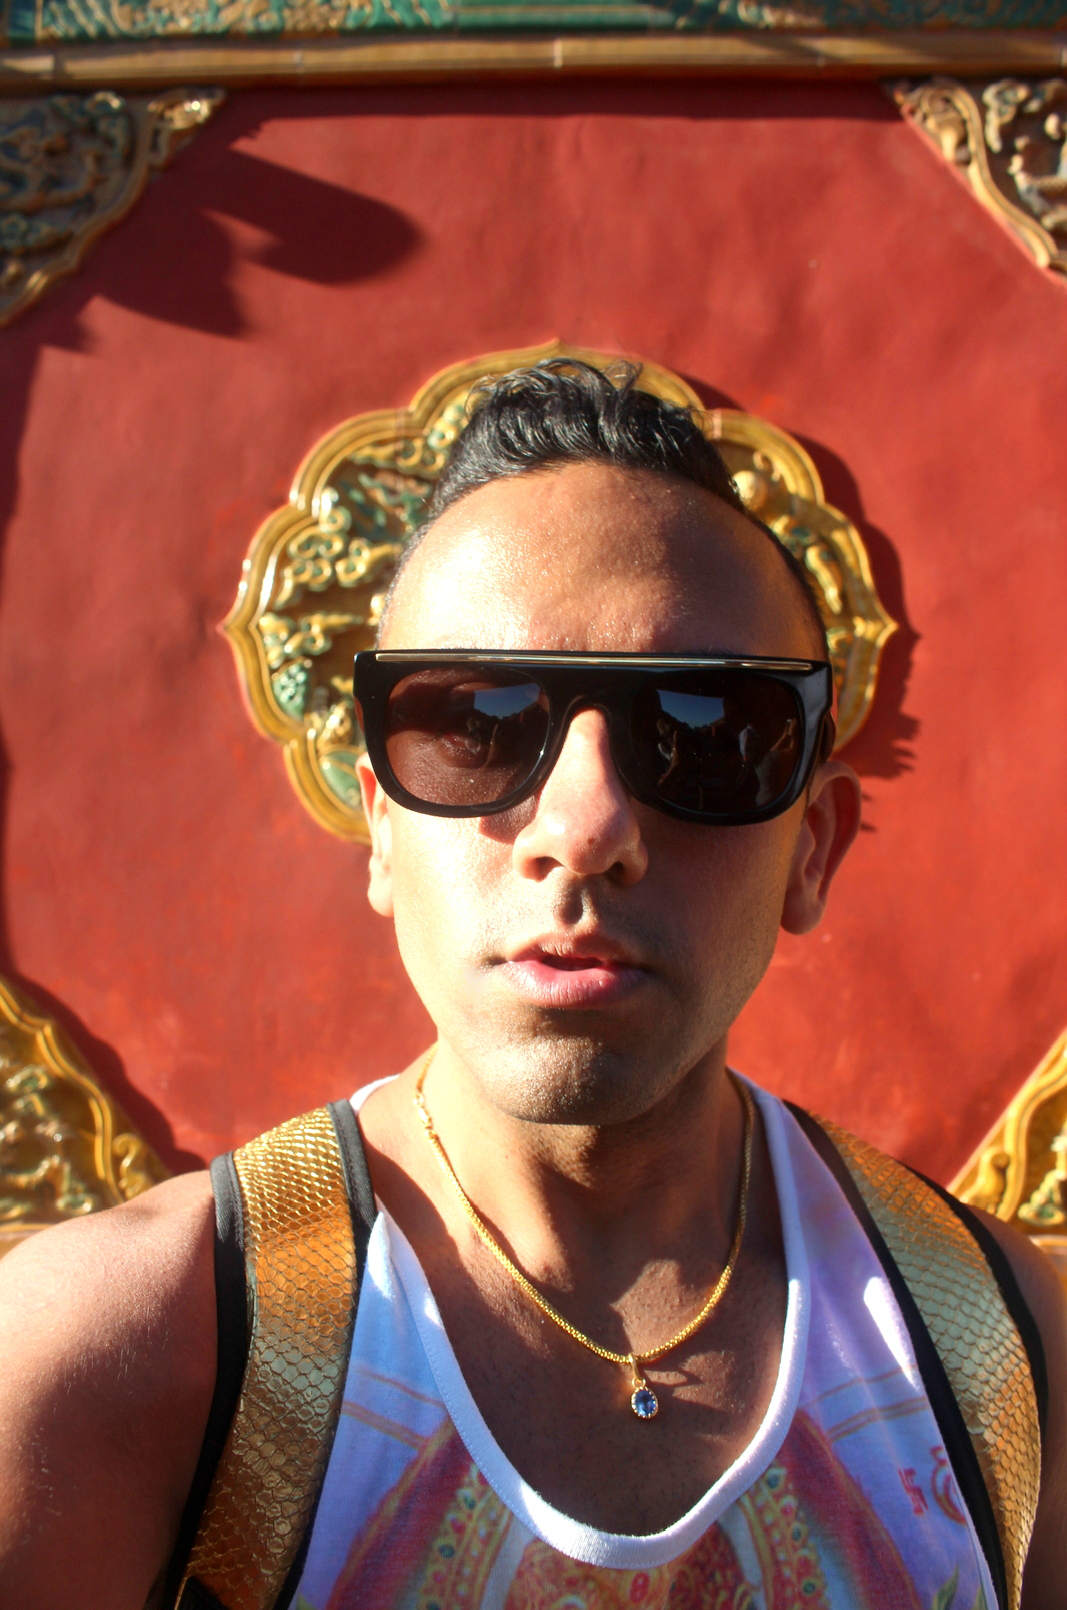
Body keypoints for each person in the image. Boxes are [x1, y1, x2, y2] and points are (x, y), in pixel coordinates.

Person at [0, 361, 1063, 1610]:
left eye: (699, 733)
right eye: (480, 722)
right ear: (379, 825)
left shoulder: (997, 1359)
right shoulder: (125, 1356)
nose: (585, 825)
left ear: (811, 847)